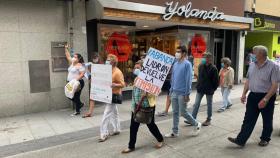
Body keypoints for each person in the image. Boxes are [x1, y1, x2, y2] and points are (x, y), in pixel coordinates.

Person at [228, 45, 279, 147]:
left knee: (267, 119)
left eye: (254, 53)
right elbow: (248, 80)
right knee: (248, 118)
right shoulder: (252, 65)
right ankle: (241, 140)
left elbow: (275, 85)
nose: (252, 55)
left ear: (261, 54)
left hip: (266, 96)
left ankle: (265, 138)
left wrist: (265, 99)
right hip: (253, 96)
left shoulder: (274, 66)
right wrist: (244, 94)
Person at [121, 60, 164, 154]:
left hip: (147, 106)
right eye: (135, 68)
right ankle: (131, 146)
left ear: (144, 69)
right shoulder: (136, 79)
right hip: (136, 106)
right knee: (133, 127)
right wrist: (133, 106)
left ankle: (160, 139)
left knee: (150, 124)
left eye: (138, 68)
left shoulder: (150, 78)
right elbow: (134, 93)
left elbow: (158, 91)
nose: (136, 69)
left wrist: (148, 93)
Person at [165, 45, 201, 138]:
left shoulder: (187, 64)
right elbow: (173, 78)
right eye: (176, 51)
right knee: (175, 112)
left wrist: (187, 93)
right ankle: (175, 132)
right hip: (174, 92)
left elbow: (188, 80)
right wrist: (171, 90)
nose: (176, 53)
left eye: (178, 51)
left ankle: (196, 124)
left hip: (182, 93)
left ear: (184, 53)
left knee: (183, 112)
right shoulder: (176, 63)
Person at [185, 53, 219, 126]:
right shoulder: (201, 66)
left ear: (209, 59)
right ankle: (192, 118)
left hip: (209, 90)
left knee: (209, 104)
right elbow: (200, 77)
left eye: (205, 57)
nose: (203, 59)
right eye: (203, 57)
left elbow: (216, 81)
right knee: (196, 104)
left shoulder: (213, 68)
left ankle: (208, 119)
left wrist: (213, 89)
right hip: (200, 88)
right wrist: (198, 85)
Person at [99, 54, 125, 142]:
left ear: (113, 62)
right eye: (107, 59)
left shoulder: (117, 72)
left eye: (108, 60)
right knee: (115, 112)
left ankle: (104, 133)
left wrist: (115, 84)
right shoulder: (108, 70)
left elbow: (123, 84)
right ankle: (117, 129)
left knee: (106, 114)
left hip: (114, 95)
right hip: (108, 95)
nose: (106, 61)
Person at [64, 44, 85, 116]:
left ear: (79, 59)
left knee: (76, 96)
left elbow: (82, 74)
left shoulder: (80, 65)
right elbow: (68, 56)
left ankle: (77, 110)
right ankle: (80, 104)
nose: (73, 58)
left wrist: (76, 80)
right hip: (70, 83)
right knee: (69, 94)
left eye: (75, 57)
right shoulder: (73, 63)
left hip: (78, 83)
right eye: (74, 57)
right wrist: (66, 49)